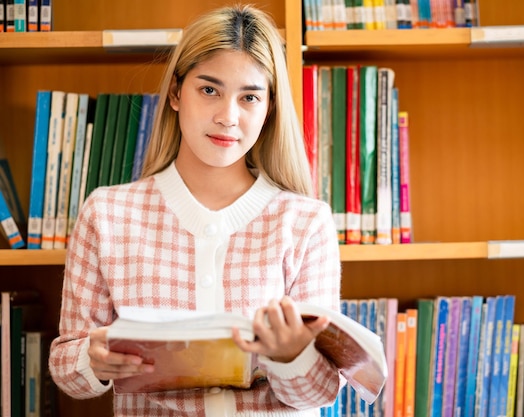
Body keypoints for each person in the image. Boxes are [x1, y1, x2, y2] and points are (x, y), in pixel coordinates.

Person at [48, 5, 342, 417]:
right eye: (209, 90)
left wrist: (294, 356)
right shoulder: (106, 214)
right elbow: (66, 368)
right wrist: (91, 360)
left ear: (270, 108)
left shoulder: (306, 222)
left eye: (250, 97)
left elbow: (323, 393)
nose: (227, 117)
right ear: (174, 93)